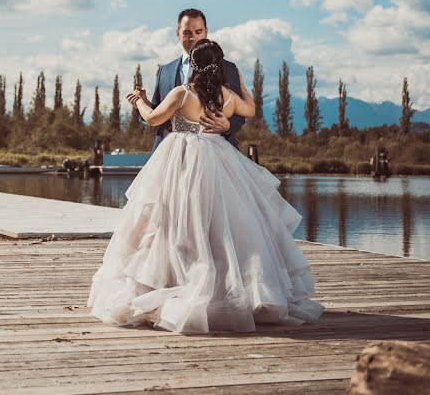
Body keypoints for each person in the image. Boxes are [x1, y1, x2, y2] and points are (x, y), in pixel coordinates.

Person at [87, 39, 323, 334]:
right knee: (221, 225)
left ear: (194, 65)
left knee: (176, 223)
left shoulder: (181, 94)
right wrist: (241, 86)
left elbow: (151, 120)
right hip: (217, 158)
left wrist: (139, 101)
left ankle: (174, 280)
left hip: (181, 161)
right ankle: (231, 290)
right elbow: (250, 110)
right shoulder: (227, 96)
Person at [150, 8, 244, 152]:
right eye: (187, 33)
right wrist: (140, 102)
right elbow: (155, 113)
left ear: (206, 31)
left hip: (215, 154)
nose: (193, 38)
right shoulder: (165, 70)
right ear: (178, 33)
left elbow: (241, 114)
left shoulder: (228, 68)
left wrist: (228, 126)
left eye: (198, 32)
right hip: (168, 155)